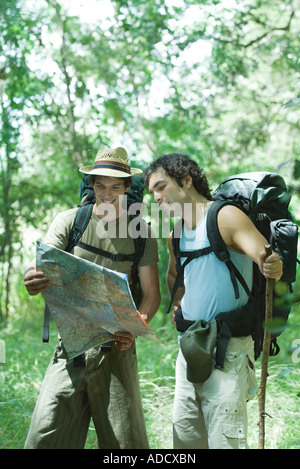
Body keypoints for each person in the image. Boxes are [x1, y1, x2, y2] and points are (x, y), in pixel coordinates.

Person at [23, 145, 161, 449]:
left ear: (127, 187)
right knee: (43, 438)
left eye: (115, 186)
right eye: (100, 185)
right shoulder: (70, 221)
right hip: (71, 348)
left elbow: (151, 295)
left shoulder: (142, 233)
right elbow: (42, 261)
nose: (107, 193)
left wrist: (138, 324)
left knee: (125, 446)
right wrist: (32, 275)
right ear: (92, 185)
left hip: (117, 349)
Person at [145, 153, 283, 450]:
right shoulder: (176, 234)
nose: (155, 197)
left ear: (185, 180)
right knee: (186, 441)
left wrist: (273, 264)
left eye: (160, 187)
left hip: (230, 348)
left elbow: (266, 259)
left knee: (225, 442)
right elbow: (174, 276)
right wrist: (181, 303)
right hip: (190, 347)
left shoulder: (226, 217)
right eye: (151, 192)